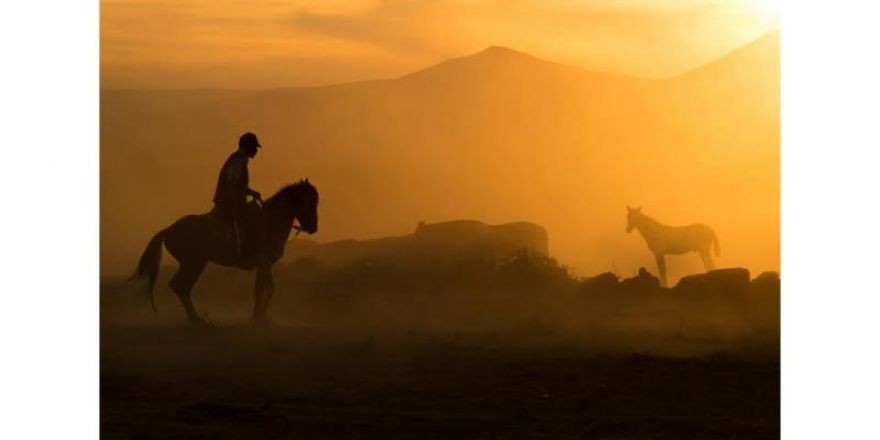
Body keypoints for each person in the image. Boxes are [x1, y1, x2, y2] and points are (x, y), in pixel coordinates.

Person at [213, 132, 264, 257]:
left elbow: (238, 185)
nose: (256, 151)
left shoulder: (240, 160)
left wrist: (251, 192)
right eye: (255, 148)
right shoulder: (237, 160)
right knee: (252, 217)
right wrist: (238, 202)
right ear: (248, 147)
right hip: (229, 201)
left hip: (232, 199)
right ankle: (244, 249)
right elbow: (232, 184)